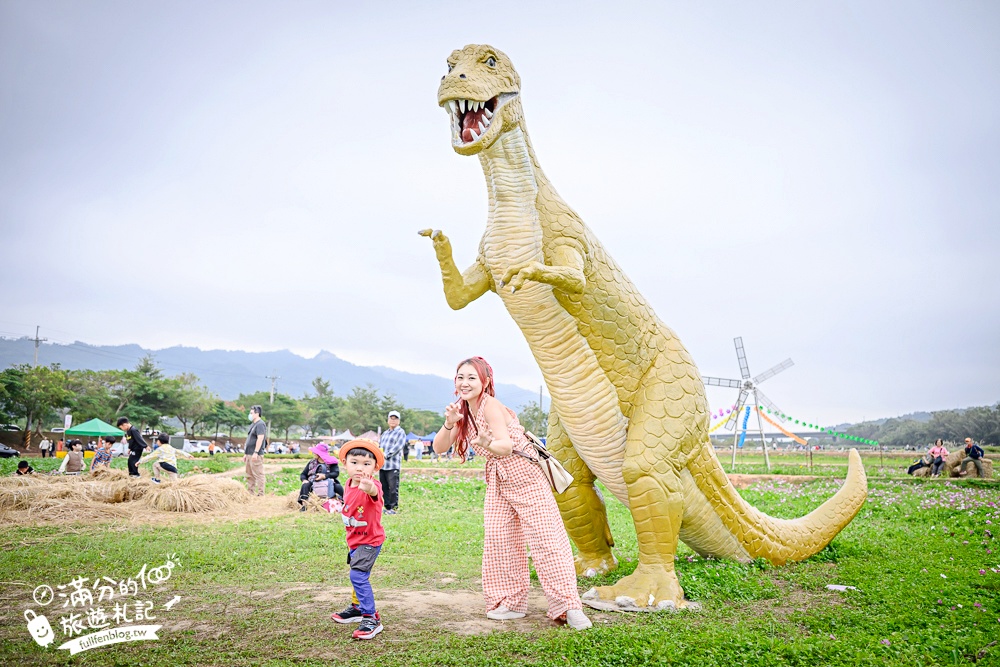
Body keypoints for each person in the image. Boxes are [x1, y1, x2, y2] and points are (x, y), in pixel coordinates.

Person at [431, 357, 591, 630]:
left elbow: (504, 446)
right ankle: (510, 601)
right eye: (460, 377)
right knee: (499, 539)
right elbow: (438, 448)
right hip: (499, 480)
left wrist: (488, 443)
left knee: (547, 541)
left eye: (472, 377)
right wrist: (449, 423)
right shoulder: (462, 411)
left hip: (525, 475)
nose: (465, 383)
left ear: (485, 381)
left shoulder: (490, 405)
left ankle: (568, 605)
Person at [329, 440, 386, 640]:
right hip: (354, 540)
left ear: (375, 468)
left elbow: (374, 493)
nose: (359, 468)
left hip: (369, 541)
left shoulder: (372, 485)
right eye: (354, 462)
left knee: (358, 576)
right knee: (356, 573)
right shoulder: (348, 483)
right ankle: (357, 608)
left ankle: (371, 617)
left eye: (366, 464)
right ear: (344, 463)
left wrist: (369, 486)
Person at [298, 443, 342, 511]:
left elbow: (335, 473)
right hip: (313, 482)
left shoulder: (331, 463)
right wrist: (304, 480)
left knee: (338, 486)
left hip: (328, 483)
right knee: (305, 486)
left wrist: (325, 476)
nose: (313, 453)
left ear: (319, 454)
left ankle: (344, 500)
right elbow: (303, 474)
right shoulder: (311, 462)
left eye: (315, 452)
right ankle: (304, 505)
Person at [378, 410, 406, 515]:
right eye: (391, 418)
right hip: (382, 465)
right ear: (388, 420)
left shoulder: (400, 432)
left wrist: (386, 454)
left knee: (393, 488)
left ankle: (394, 508)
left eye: (395, 418)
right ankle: (387, 507)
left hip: (393, 465)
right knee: (383, 487)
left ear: (399, 421)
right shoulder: (385, 433)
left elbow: (398, 446)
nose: (393, 420)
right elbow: (380, 447)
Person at [244, 405, 267, 496]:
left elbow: (260, 438)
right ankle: (250, 492)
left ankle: (261, 493)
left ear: (257, 414)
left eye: (251, 413)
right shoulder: (253, 425)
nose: (250, 415)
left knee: (258, 474)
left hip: (255, 454)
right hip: (249, 453)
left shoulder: (260, 424)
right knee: (249, 475)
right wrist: (246, 453)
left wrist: (256, 452)